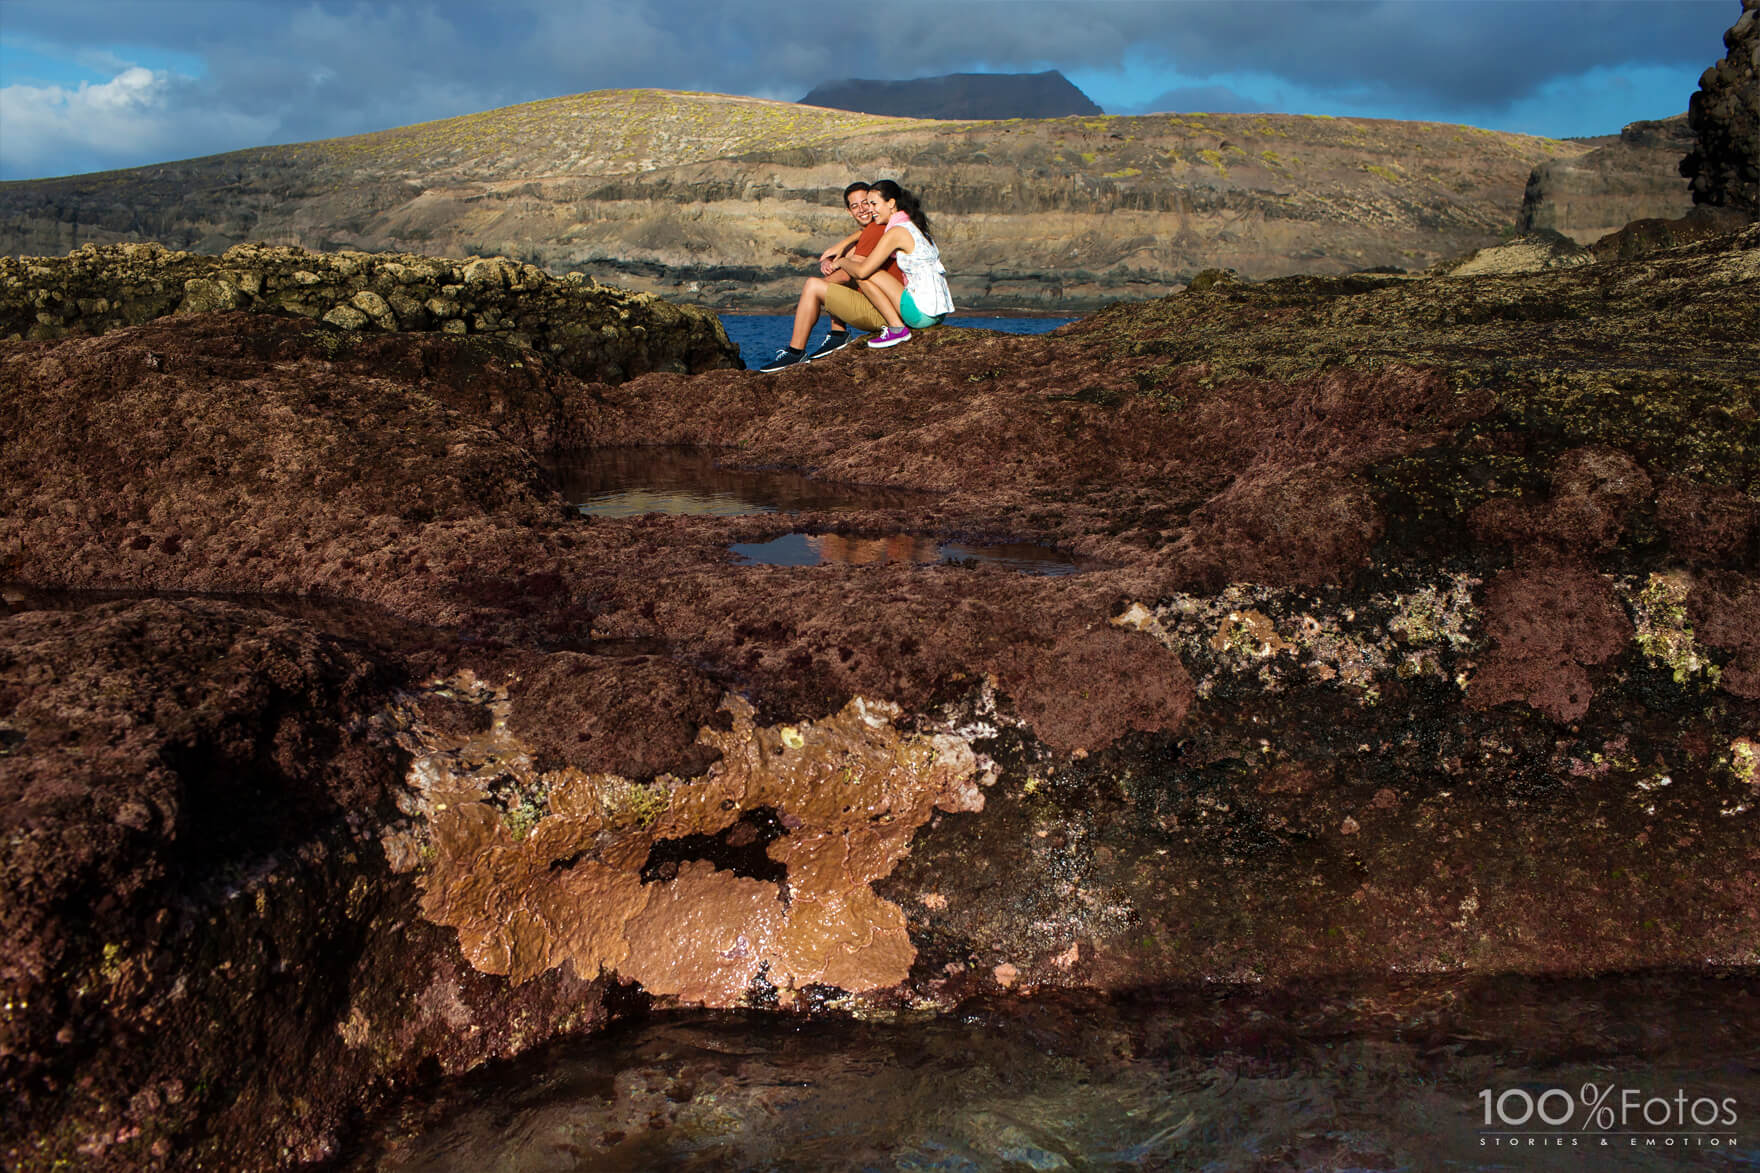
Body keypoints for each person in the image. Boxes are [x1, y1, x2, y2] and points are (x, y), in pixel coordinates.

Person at [757, 182, 906, 373]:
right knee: (833, 278)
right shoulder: (877, 229)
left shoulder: (875, 230)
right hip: (891, 307)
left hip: (885, 313)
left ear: (874, 202)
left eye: (865, 203)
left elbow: (847, 274)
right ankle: (838, 333)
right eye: (854, 206)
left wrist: (815, 292)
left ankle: (796, 352)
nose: (861, 209)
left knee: (813, 285)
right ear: (849, 211)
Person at [831, 179, 953, 350]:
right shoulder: (914, 226)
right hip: (938, 313)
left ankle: (897, 329)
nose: (870, 210)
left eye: (873, 204)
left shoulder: (896, 232)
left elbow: (862, 271)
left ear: (891, 203)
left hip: (921, 314)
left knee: (864, 274)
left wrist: (842, 262)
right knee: (864, 269)